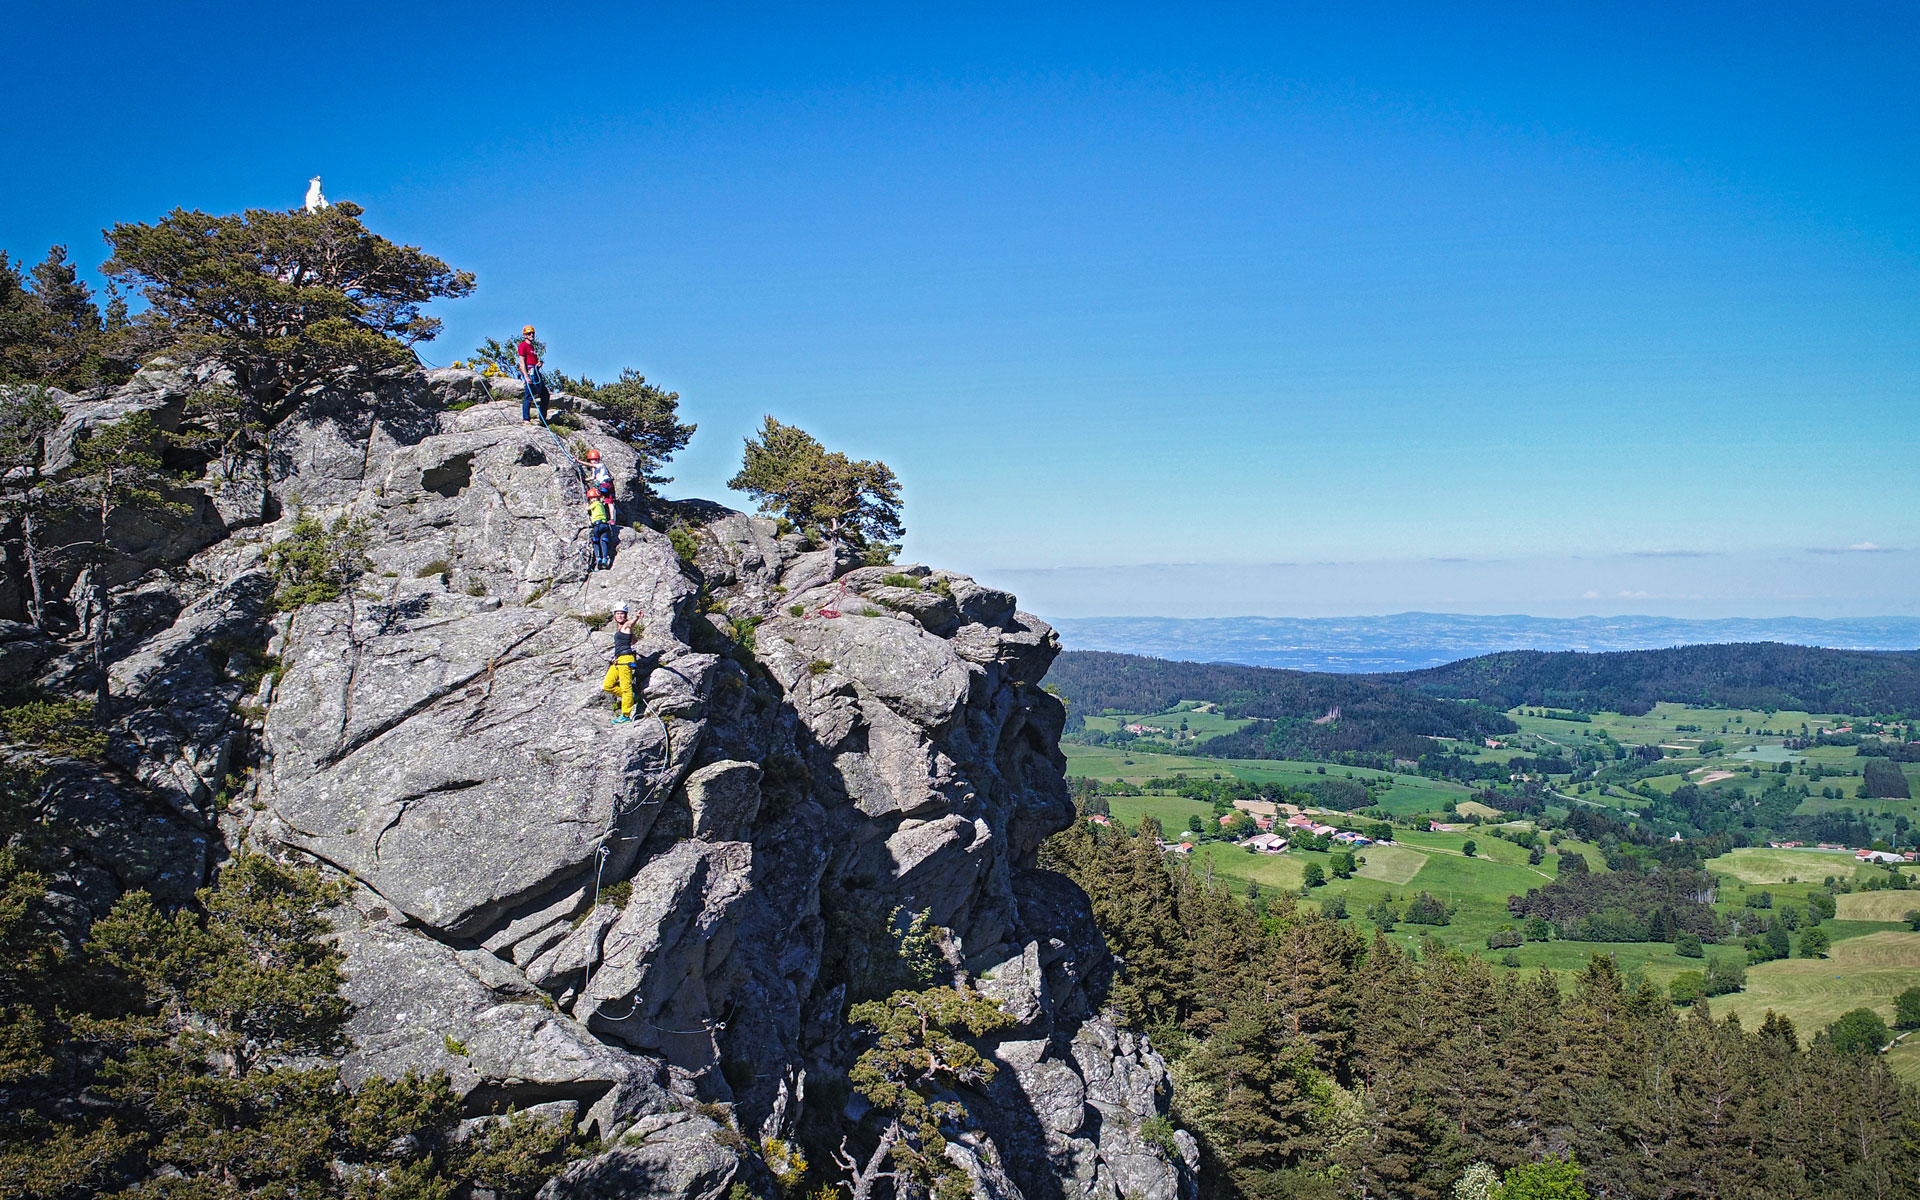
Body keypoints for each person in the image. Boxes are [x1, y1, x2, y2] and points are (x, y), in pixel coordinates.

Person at [601, 604, 641, 723]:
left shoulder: (627, 625)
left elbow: (630, 624)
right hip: (618, 660)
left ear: (626, 615)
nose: (620, 616)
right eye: (618, 613)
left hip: (625, 660)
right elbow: (634, 640)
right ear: (614, 615)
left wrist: (636, 618)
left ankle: (626, 715)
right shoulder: (622, 629)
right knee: (607, 685)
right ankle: (631, 697)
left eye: (622, 614)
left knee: (625, 687)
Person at [517, 325, 552, 423]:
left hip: (535, 371)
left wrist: (538, 364)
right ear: (525, 335)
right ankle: (526, 419)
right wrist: (526, 376)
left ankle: (542, 418)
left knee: (545, 395)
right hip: (530, 372)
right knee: (529, 396)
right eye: (529, 333)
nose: (531, 335)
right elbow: (522, 362)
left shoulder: (532, 348)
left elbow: (532, 361)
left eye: (532, 333)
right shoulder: (523, 346)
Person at [587, 494, 614, 569]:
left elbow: (588, 508)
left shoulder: (594, 504)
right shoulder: (601, 505)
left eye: (592, 498)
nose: (592, 499)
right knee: (603, 541)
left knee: (596, 541)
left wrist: (586, 506)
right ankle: (605, 558)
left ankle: (598, 557)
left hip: (597, 525)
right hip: (604, 525)